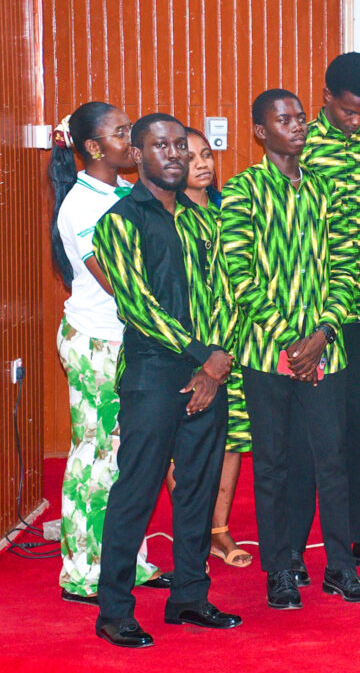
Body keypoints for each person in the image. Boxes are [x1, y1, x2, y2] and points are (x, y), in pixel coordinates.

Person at [220, 89, 360, 610]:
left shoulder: (325, 190)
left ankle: (340, 568)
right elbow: (238, 274)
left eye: (301, 118)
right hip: (269, 353)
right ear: (261, 131)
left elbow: (348, 268)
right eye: (284, 120)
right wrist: (291, 340)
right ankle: (281, 569)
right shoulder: (243, 190)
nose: (298, 126)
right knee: (273, 465)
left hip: (326, 350)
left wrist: (324, 333)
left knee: (333, 460)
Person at [93, 113, 241, 647]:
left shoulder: (203, 220)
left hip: (207, 374)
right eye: (161, 146)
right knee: (136, 491)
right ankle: (114, 610)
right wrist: (206, 356)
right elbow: (137, 306)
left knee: (198, 489)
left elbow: (228, 294)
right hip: (153, 375)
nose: (175, 154)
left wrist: (214, 364)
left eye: (181, 145)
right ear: (138, 156)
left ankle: (189, 597)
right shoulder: (119, 222)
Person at [49, 103, 165, 606]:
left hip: (127, 340)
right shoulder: (82, 205)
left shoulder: (121, 192)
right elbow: (118, 283)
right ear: (94, 147)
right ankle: (81, 573)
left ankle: (124, 563)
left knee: (124, 459)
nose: (132, 140)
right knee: (95, 458)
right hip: (97, 341)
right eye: (121, 133)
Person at [296, 53, 360, 581]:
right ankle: (292, 547)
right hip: (312, 313)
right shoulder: (301, 145)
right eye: (348, 111)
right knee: (307, 434)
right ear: (327, 97)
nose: (356, 121)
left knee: (359, 429)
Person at [179, 128, 252, 568]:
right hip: (192, 350)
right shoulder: (171, 215)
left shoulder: (230, 210)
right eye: (190, 158)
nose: (202, 163)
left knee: (233, 438)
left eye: (206, 154)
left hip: (234, 345)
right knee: (185, 444)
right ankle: (191, 535)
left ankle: (218, 531)